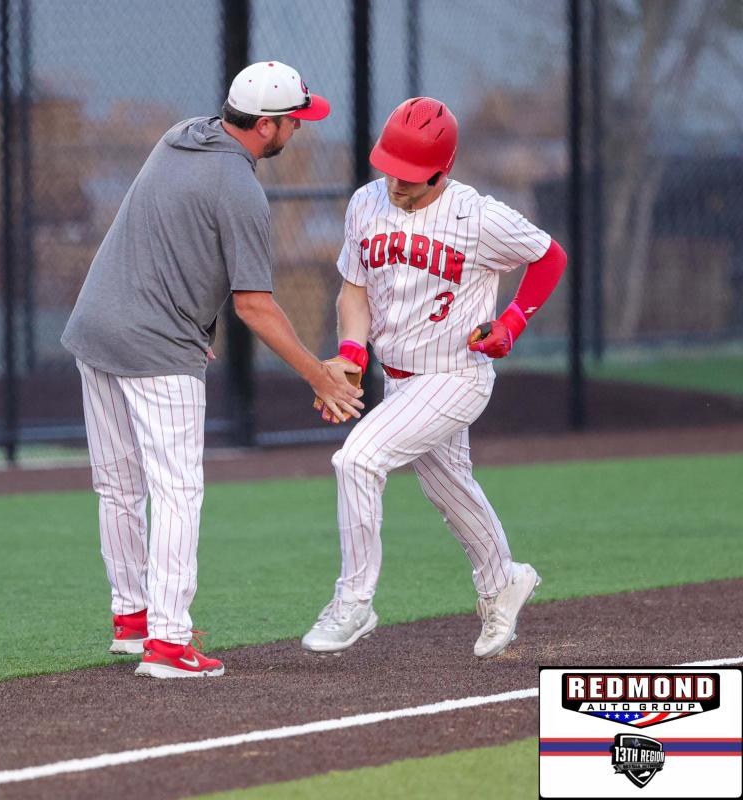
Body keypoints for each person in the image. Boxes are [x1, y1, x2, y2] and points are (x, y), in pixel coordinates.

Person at [62, 61, 363, 679]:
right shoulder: (241, 189)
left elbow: (169, 237)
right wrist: (317, 374)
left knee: (118, 486)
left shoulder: (179, 136)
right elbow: (254, 305)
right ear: (265, 126)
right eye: (294, 120)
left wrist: (195, 322)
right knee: (177, 491)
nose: (299, 129)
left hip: (95, 327)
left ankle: (133, 620)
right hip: (156, 346)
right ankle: (169, 644)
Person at [302, 97, 568, 659]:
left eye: (410, 175)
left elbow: (549, 257)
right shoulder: (366, 202)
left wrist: (513, 322)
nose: (396, 182)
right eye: (390, 169)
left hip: (455, 375)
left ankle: (354, 602)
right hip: (399, 378)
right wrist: (351, 351)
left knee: (357, 460)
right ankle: (503, 581)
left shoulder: (479, 217)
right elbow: (354, 289)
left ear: (442, 170)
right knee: (449, 489)